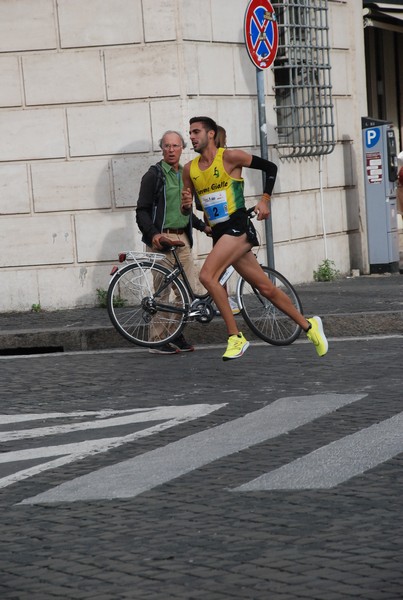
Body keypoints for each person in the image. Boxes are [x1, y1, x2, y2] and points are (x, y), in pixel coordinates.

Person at [181, 116, 328, 361]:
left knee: (207, 275)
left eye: (196, 132)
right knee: (265, 288)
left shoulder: (230, 157)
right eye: (190, 132)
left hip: (237, 228)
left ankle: (235, 337)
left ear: (210, 134)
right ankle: (310, 326)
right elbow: (193, 207)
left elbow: (271, 168)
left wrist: (265, 200)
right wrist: (187, 207)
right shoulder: (190, 170)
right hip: (220, 235)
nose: (192, 137)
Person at [136, 129, 211, 355]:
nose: (171, 150)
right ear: (162, 148)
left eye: (175, 146)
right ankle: (158, 340)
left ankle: (175, 333)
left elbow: (187, 212)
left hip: (182, 239)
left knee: (188, 293)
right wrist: (153, 236)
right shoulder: (154, 175)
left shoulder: (184, 175)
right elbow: (142, 211)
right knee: (162, 292)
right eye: (167, 146)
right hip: (162, 238)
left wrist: (203, 227)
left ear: (182, 148)